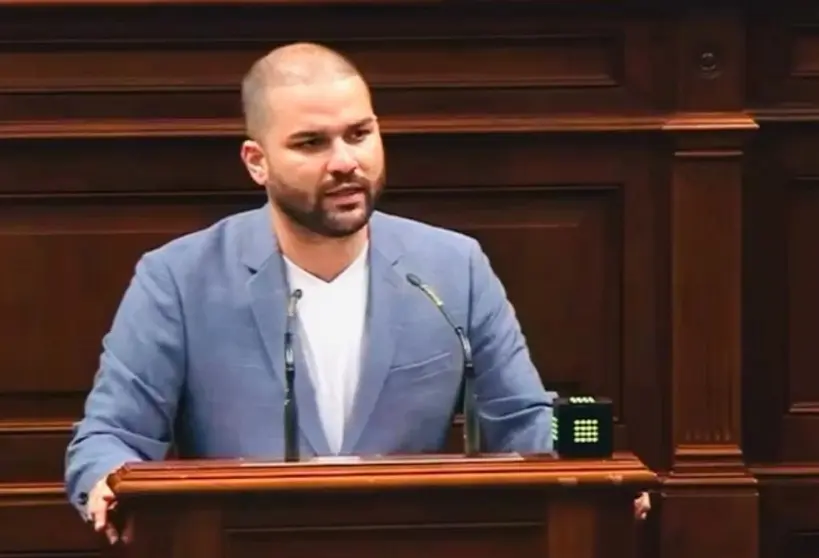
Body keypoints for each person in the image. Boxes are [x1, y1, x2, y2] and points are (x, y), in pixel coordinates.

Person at [64, 42, 651, 544]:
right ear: (257, 162)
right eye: (311, 143)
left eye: (360, 134)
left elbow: (520, 419)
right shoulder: (178, 278)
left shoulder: (451, 268)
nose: (346, 162)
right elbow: (108, 436)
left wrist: (599, 484)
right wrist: (107, 486)